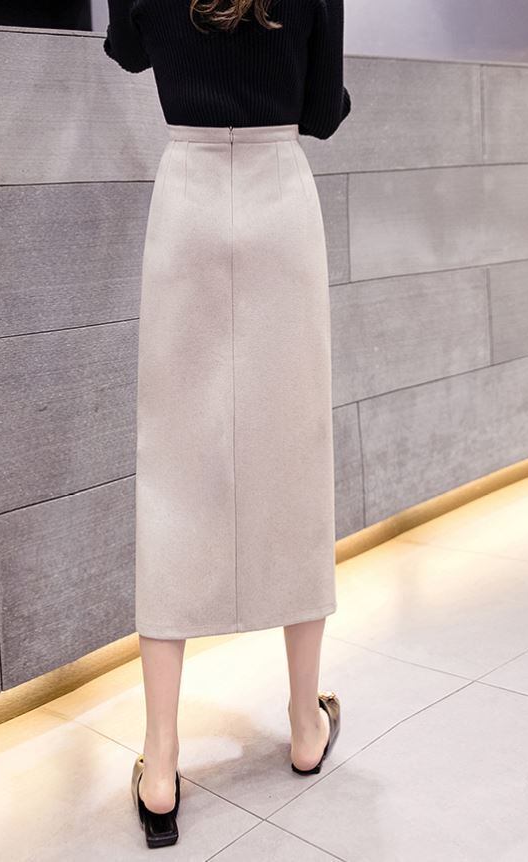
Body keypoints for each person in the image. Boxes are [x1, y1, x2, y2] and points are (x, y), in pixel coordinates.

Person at [103, 0, 351, 848]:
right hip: (280, 201)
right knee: (294, 457)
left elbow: (127, 51)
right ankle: (305, 724)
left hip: (189, 201)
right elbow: (322, 112)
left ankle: (163, 762)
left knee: (173, 470)